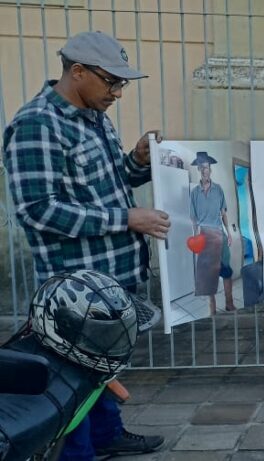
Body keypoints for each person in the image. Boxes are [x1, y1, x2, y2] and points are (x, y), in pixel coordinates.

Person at [3, 31, 165, 458]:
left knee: (99, 369)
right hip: (76, 291)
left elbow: (110, 184)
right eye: (111, 82)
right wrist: (126, 218)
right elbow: (38, 210)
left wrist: (138, 161)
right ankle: (78, 452)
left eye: (121, 83)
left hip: (110, 279)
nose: (118, 93)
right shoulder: (37, 125)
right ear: (77, 72)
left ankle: (107, 434)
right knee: (73, 378)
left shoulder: (95, 117)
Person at [189, 151, 237, 315]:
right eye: (202, 167)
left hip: (219, 234)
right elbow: (194, 219)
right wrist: (195, 238)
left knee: (226, 270)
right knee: (208, 275)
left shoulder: (218, 189)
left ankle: (229, 303)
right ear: (198, 169)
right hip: (204, 236)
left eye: (207, 167)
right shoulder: (194, 193)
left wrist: (228, 233)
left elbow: (223, 213)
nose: (205, 170)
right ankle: (212, 309)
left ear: (210, 169)